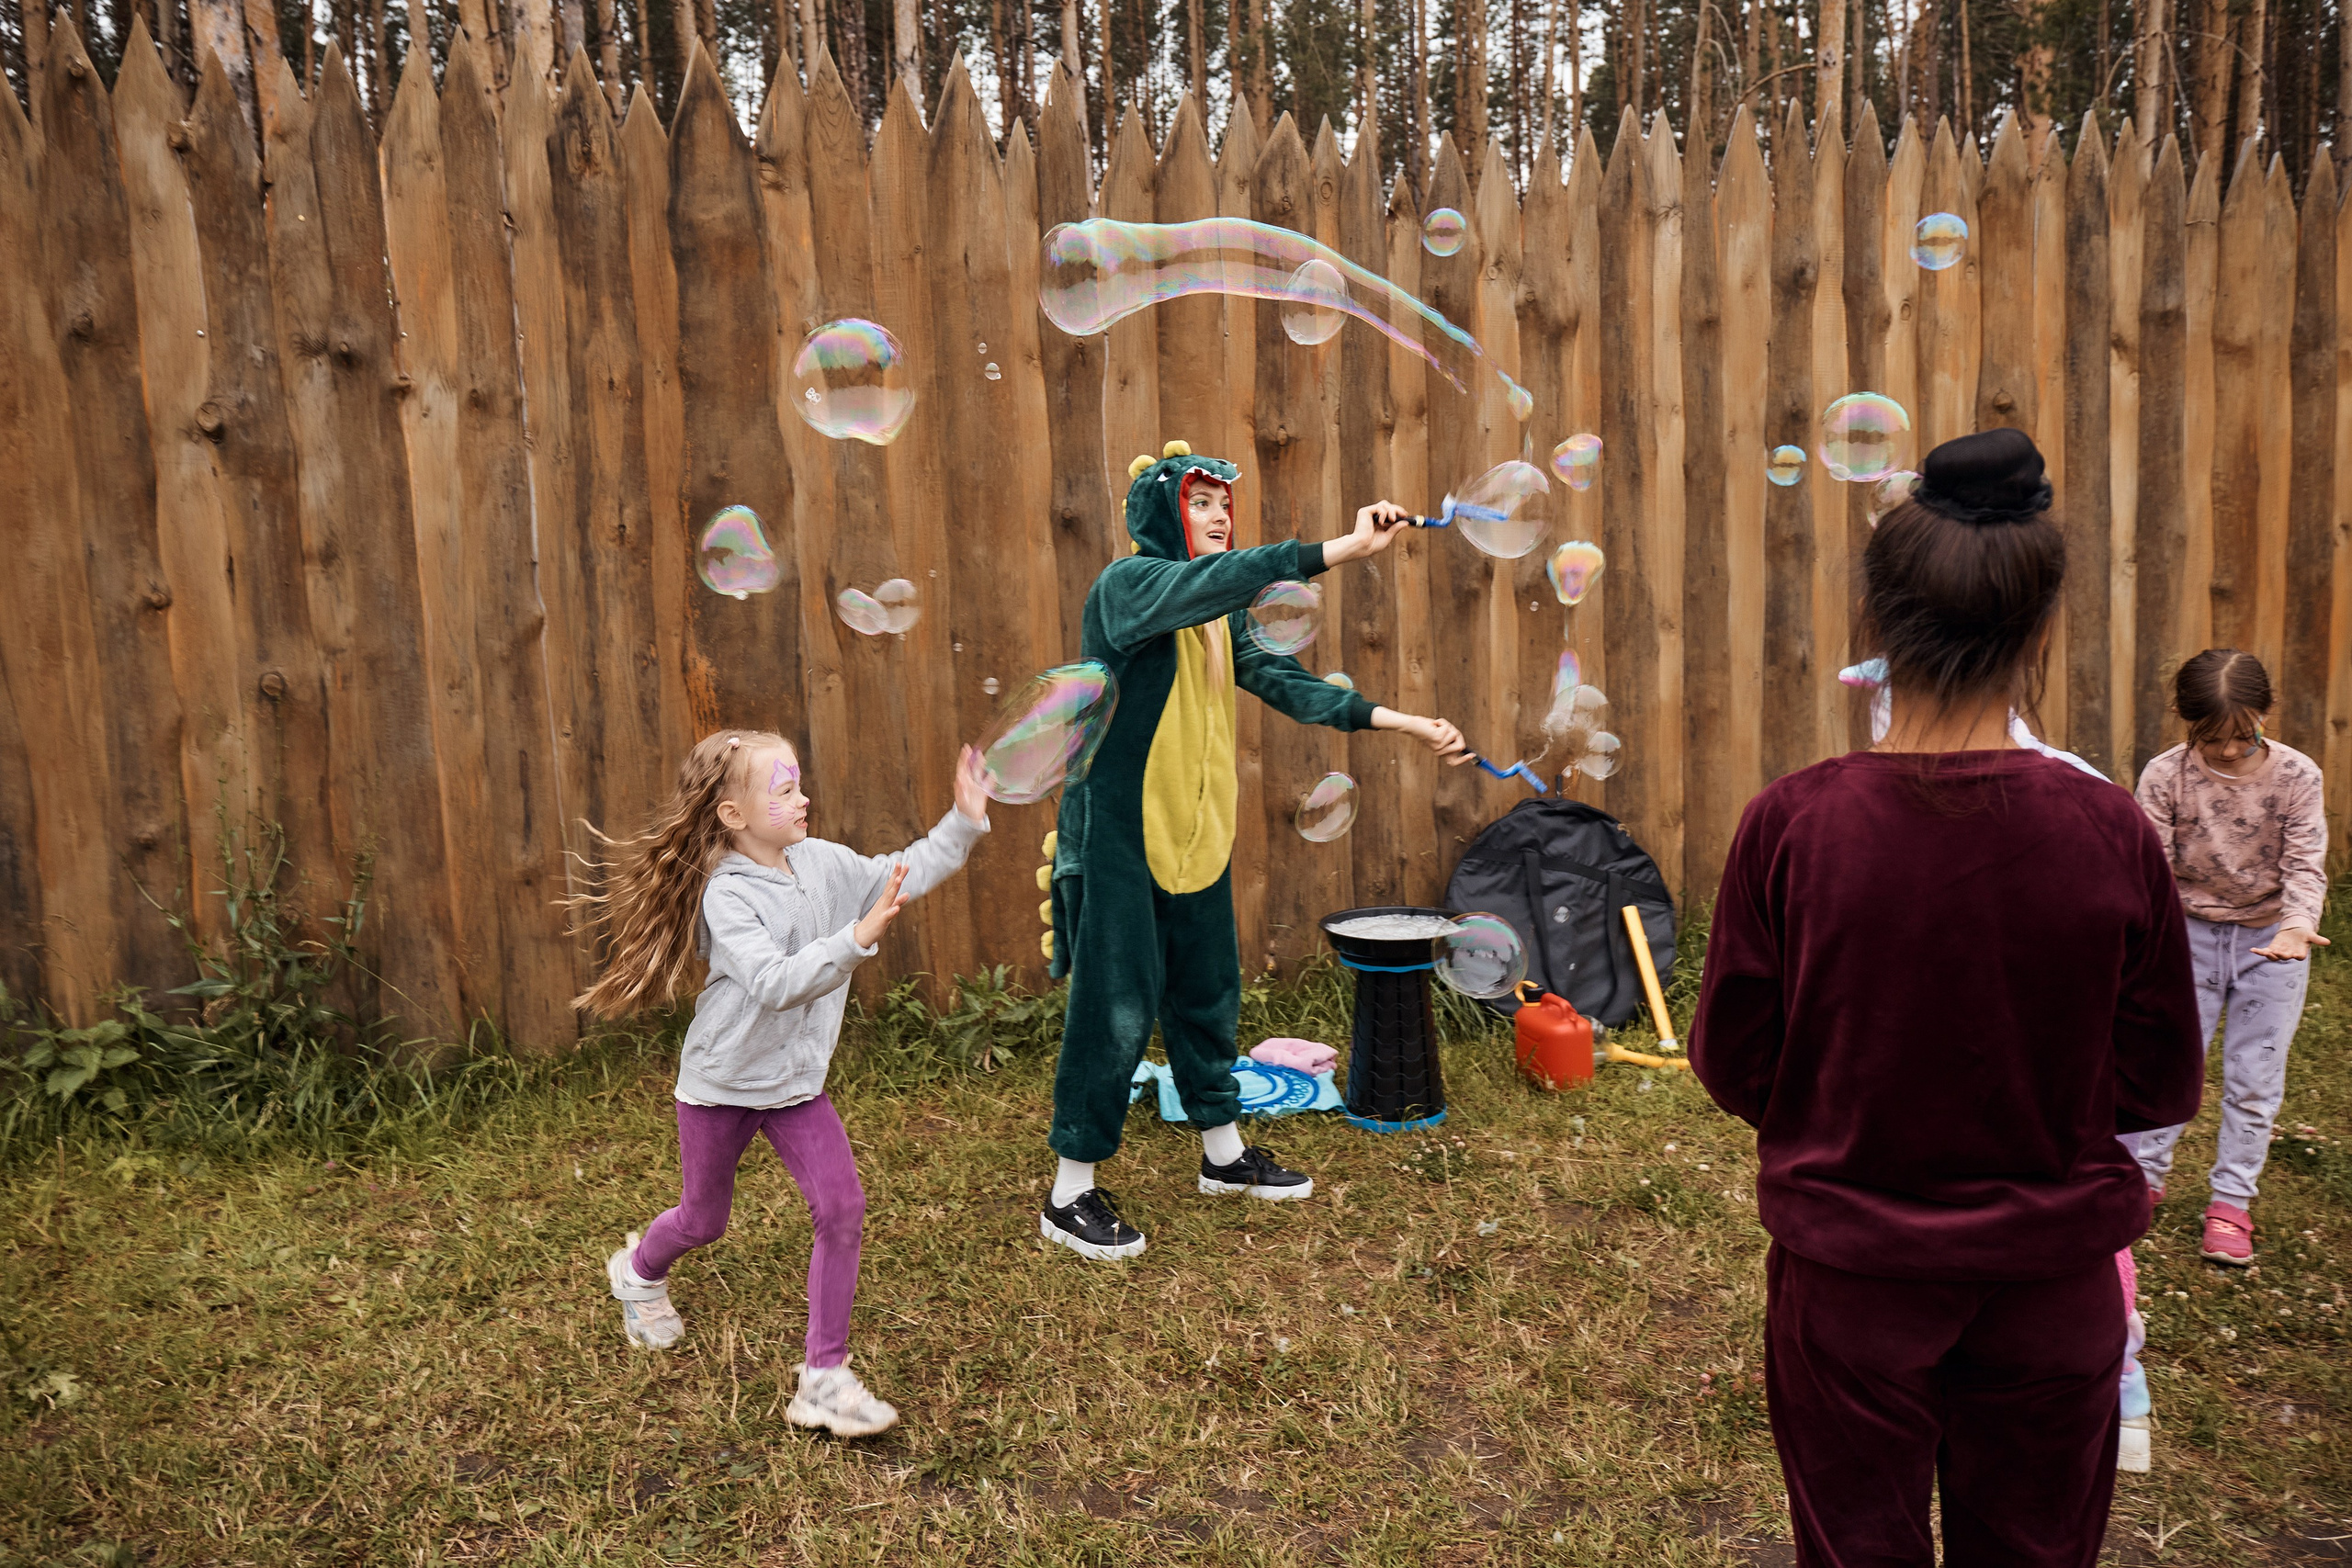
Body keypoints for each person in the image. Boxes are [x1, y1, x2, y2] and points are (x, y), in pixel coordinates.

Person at [1688, 427, 2205, 1565]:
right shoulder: (2108, 828)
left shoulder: (1793, 824)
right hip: (2054, 1284)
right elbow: (2160, 1074)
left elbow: (1735, 1060)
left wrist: (1855, 1112)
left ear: (1877, 620)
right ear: (2035, 622)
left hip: (1851, 1285)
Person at [1039, 441, 1468, 1261]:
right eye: (1200, 502)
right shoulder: (1131, 588)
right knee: (1113, 1006)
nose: (1219, 515)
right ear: (1164, 512)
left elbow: (1289, 683)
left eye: (1224, 505)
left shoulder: (1218, 618)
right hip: (1123, 836)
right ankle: (1070, 1190)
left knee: (1208, 995)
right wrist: (1341, 549)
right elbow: (1218, 580)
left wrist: (1401, 721)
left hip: (1200, 837)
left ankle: (1223, 1154)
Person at [572, 728, 991, 1437]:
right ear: (733, 815)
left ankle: (823, 1378)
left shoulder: (821, 862)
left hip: (797, 1086)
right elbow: (772, 984)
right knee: (703, 1220)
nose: (805, 798)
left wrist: (963, 820)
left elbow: (901, 870)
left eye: (800, 785)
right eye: (786, 789)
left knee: (843, 1207)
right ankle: (638, 1272)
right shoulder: (728, 896)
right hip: (723, 1085)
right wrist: (855, 940)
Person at [2123, 649, 2330, 1266]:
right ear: (2187, 722)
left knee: (2253, 1080)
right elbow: (2148, 869)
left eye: (2241, 737)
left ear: (2263, 715)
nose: (2227, 752)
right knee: (2164, 1065)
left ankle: (2231, 1204)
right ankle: (2141, 1182)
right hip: (2185, 939)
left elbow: (2304, 863)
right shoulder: (2165, 777)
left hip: (2272, 945)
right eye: (2212, 740)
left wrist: (2297, 926)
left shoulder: (2298, 776)